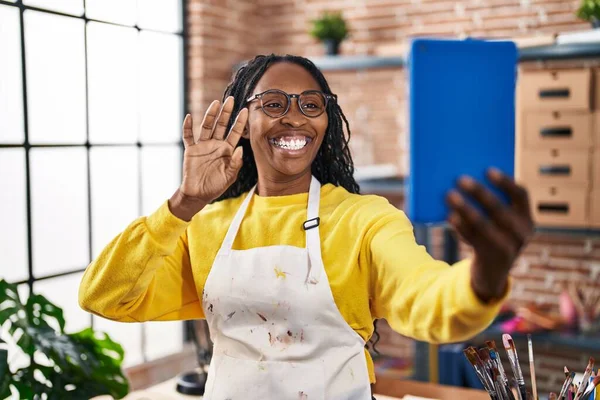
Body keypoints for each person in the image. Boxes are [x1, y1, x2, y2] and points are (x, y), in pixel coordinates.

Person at [79, 54, 533, 400]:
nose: (294, 116)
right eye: (273, 103)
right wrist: (185, 203)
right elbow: (105, 296)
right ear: (243, 120)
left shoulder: (365, 219)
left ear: (326, 121)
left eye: (310, 105)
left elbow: (428, 301)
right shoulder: (206, 226)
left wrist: (483, 277)